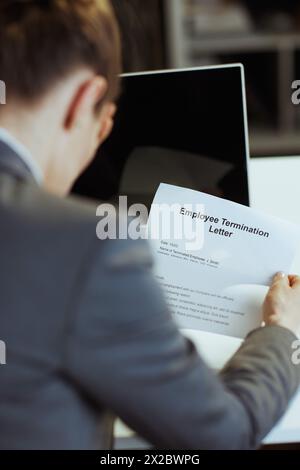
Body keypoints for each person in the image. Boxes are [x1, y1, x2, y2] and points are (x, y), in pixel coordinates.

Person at [0, 0, 299, 451]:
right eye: (101, 128)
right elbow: (220, 434)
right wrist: (283, 331)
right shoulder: (89, 249)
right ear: (84, 99)